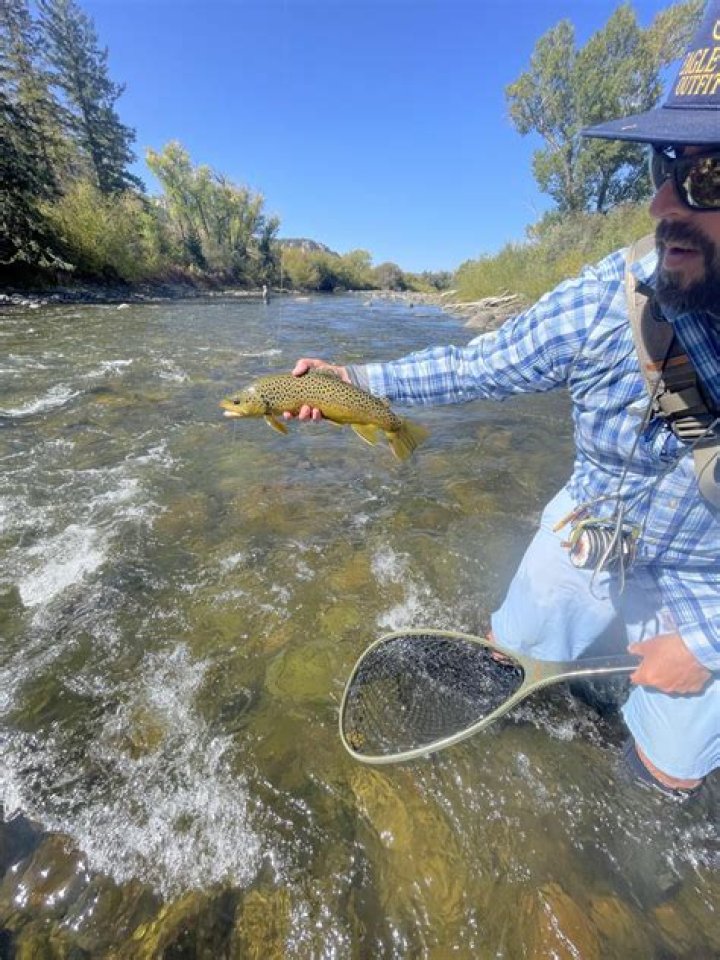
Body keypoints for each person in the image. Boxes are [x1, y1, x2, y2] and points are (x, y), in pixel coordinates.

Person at [286, 2, 720, 799]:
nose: (663, 205)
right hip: (598, 522)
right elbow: (479, 365)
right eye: (665, 164)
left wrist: (707, 641)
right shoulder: (608, 299)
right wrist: (358, 383)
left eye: (708, 176)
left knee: (663, 784)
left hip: (712, 577)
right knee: (501, 667)